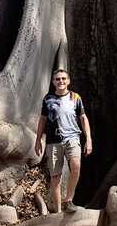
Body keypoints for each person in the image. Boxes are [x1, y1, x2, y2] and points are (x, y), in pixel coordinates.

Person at [34, 68, 92, 213]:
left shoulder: (75, 97)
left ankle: (69, 200)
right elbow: (43, 120)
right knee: (56, 177)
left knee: (76, 166)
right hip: (53, 142)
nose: (61, 81)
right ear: (53, 82)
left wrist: (88, 139)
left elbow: (83, 118)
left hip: (72, 138)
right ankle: (59, 211)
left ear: (68, 81)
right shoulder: (48, 99)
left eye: (63, 78)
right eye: (58, 79)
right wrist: (38, 139)